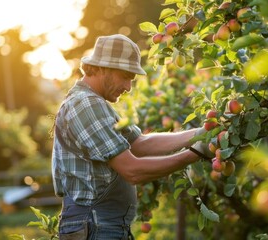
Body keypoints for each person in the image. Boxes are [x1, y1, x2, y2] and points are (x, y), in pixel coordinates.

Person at [51, 34, 212, 240]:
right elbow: (132, 170)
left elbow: (140, 143)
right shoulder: (86, 104)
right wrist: (194, 154)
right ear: (102, 68)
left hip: (101, 225)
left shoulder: (96, 104)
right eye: (125, 77)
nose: (128, 87)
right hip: (95, 225)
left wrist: (200, 133)